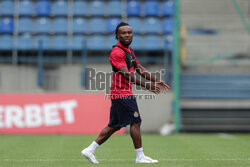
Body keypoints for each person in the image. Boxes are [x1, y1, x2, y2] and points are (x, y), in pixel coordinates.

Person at [81, 22, 170, 164]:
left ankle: (89, 150)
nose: (127, 35)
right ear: (117, 35)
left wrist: (156, 80)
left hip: (121, 92)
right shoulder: (117, 52)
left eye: (129, 32)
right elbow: (127, 75)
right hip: (122, 93)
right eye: (123, 33)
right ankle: (140, 156)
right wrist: (147, 86)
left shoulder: (129, 50)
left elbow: (139, 68)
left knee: (114, 125)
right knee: (136, 121)